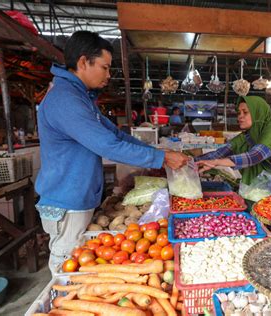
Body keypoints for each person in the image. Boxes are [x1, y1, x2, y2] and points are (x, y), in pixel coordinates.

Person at [35, 31, 188, 273]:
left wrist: (157, 150)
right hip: (67, 201)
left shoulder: (80, 98)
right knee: (67, 266)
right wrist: (162, 157)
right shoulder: (65, 100)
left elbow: (116, 136)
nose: (108, 75)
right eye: (105, 67)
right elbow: (107, 146)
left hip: (77, 198)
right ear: (84, 62)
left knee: (79, 262)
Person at [196, 96, 271, 193]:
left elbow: (255, 155)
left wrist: (217, 162)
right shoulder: (245, 137)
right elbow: (219, 153)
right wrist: (190, 161)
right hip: (267, 191)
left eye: (245, 112)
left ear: (257, 113)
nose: (240, 117)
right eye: (239, 113)